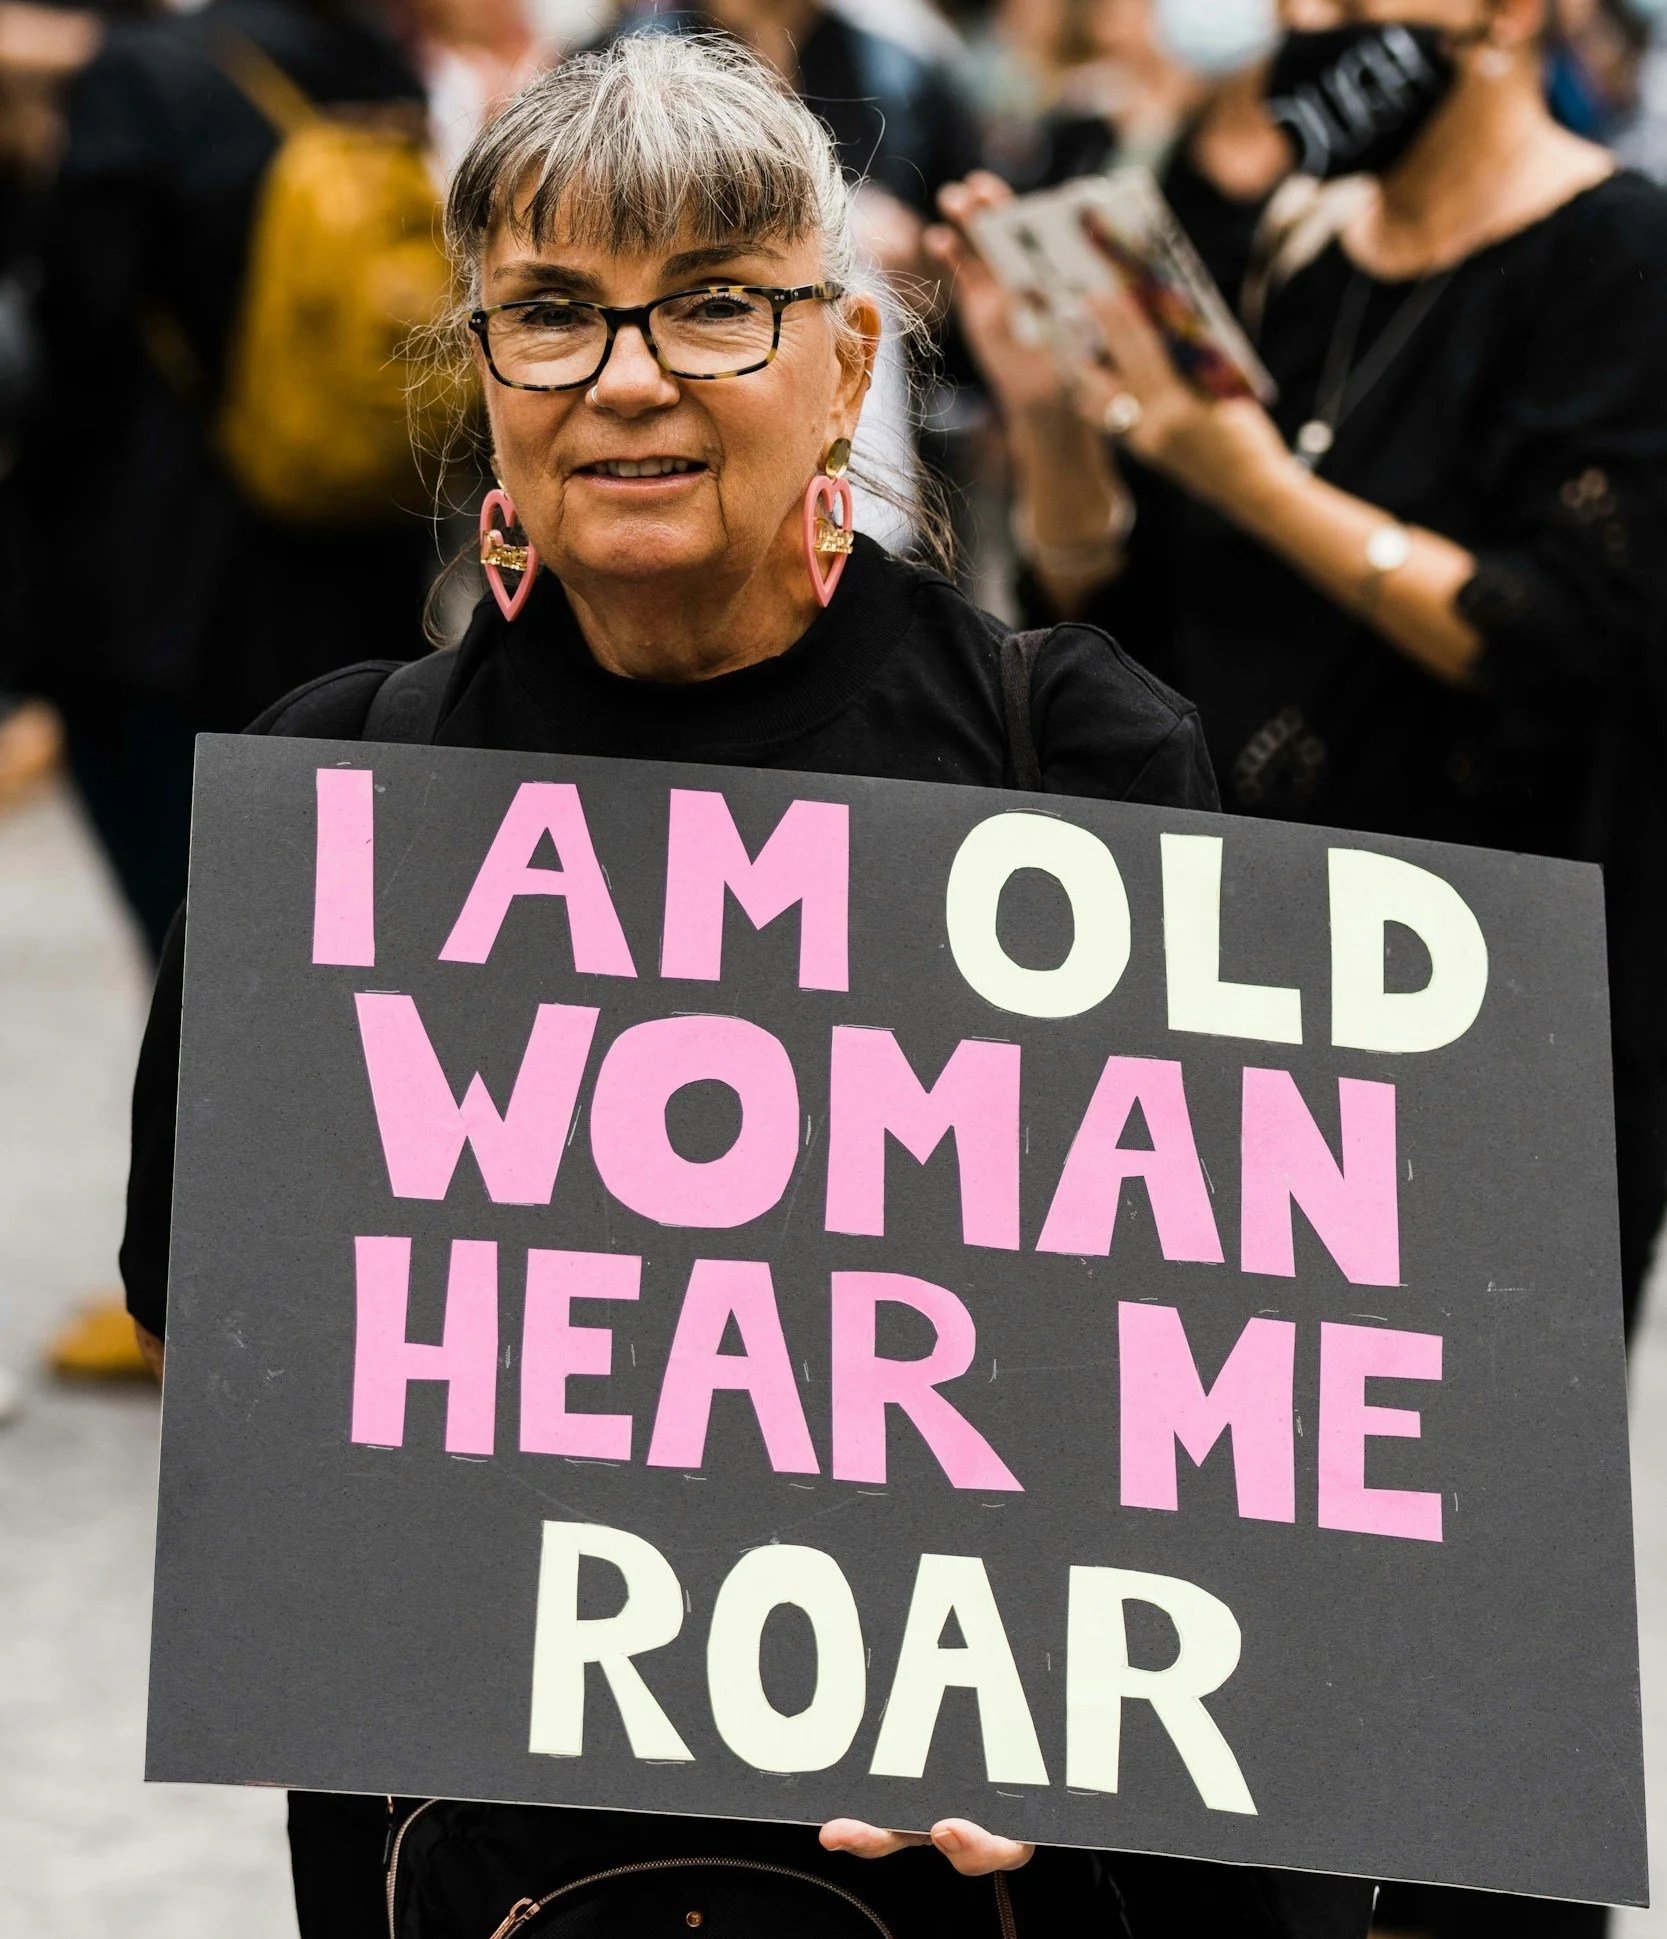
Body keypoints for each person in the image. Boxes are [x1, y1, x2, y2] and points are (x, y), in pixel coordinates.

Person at [119, 34, 1375, 1939]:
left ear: (848, 362)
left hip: (953, 1858)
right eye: (553, 312)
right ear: (482, 371)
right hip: (490, 1854)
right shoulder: (343, 796)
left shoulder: (1072, 765)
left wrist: (1045, 1690)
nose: (628, 377)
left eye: (716, 304)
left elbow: (1225, 1379)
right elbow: (220, 1327)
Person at [933, 6, 1667, 1931]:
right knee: (1250, 1528)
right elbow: (1124, 612)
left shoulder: (1618, 260)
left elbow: (1567, 642)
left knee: (1469, 1564)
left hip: (1510, 1012)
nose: (1312, 29)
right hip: (1254, 991)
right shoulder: (1296, 247)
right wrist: (1056, 423)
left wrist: (1245, 472)